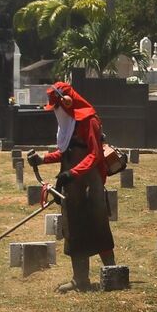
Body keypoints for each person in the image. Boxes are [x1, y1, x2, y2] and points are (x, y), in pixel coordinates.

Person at [27, 81, 115, 293]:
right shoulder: (69, 123)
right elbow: (65, 152)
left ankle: (113, 273)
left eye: (56, 107)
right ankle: (80, 280)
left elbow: (94, 155)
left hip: (89, 184)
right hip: (72, 187)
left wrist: (71, 173)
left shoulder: (89, 121)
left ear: (66, 103)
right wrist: (43, 159)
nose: (55, 112)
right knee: (74, 228)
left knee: (98, 226)